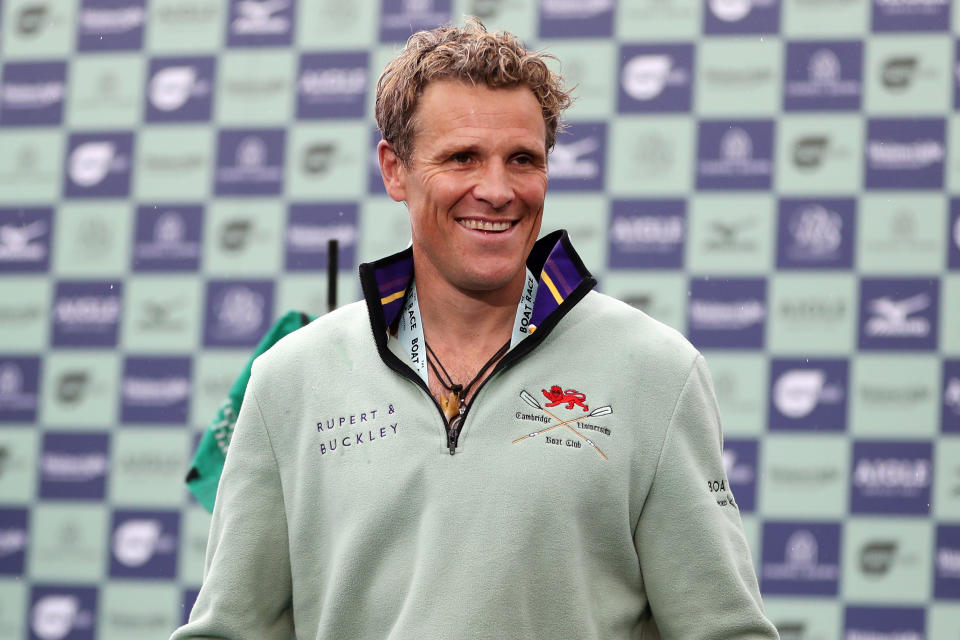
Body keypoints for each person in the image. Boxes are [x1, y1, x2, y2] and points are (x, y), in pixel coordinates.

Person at [171, 18, 778, 640]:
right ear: (394, 170)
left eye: (522, 160)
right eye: (462, 157)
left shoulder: (656, 371)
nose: (497, 190)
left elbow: (723, 631)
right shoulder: (290, 379)